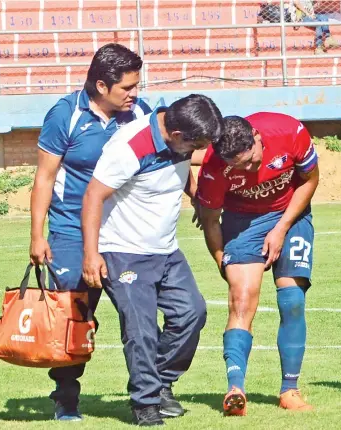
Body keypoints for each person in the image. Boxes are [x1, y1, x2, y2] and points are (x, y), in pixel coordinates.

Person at [81, 94, 223, 426]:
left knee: (192, 313)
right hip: (124, 251)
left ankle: (159, 382)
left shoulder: (180, 144)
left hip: (167, 250)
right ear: (177, 135)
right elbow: (93, 196)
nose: (198, 152)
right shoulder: (129, 147)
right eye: (197, 145)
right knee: (141, 328)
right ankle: (145, 404)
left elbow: (181, 170)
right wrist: (91, 254)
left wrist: (198, 199)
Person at [29, 43, 149, 421]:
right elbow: (44, 178)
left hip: (125, 231)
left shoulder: (139, 114)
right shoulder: (64, 115)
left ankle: (150, 395)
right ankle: (66, 395)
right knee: (76, 315)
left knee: (141, 314)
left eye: (136, 86)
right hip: (70, 232)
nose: (135, 94)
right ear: (101, 85)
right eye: (127, 88)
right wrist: (37, 235)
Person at [196, 113, 319, 416]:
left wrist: (281, 228)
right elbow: (210, 220)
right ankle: (235, 388)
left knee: (292, 299)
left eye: (252, 160)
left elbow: (310, 180)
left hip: (291, 214)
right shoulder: (214, 166)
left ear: (257, 137)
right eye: (240, 167)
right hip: (242, 221)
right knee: (241, 299)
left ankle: (290, 389)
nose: (251, 169)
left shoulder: (290, 131)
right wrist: (222, 262)